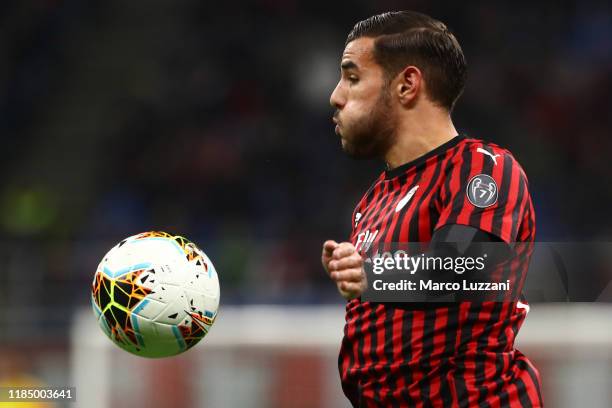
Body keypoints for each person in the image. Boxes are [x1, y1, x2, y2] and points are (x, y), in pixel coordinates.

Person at [322, 11, 542, 407]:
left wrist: (371, 273)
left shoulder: (481, 167)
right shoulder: (372, 202)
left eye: (352, 77)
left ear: (407, 85)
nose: (336, 96)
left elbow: (467, 269)